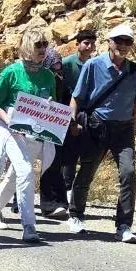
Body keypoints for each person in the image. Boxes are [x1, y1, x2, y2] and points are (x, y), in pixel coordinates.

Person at [68, 24, 136, 244]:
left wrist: (131, 123)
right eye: (118, 40)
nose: (122, 45)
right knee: (88, 170)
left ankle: (123, 225)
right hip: (97, 126)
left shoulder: (134, 71)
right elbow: (77, 97)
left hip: (123, 129)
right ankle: (76, 214)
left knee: (128, 173)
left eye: (127, 41)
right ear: (109, 42)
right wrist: (73, 122)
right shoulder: (93, 65)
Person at [0, 28, 56, 243]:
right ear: (27, 47)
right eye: (38, 45)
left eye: (45, 44)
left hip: (34, 134)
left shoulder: (48, 75)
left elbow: (49, 103)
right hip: (12, 132)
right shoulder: (11, 72)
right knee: (25, 171)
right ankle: (29, 225)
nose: (43, 49)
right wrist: (10, 122)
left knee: (15, 174)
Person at [57, 30, 96, 205]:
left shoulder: (94, 64)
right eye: (86, 43)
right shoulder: (67, 64)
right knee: (68, 152)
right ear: (77, 44)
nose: (89, 47)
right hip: (67, 111)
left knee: (81, 151)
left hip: (87, 113)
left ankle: (73, 190)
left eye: (92, 43)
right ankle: (64, 189)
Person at [38, 48, 70, 219]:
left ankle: (55, 203)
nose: (57, 71)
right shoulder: (41, 79)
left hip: (54, 127)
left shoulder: (62, 81)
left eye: (59, 67)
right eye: (53, 67)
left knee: (53, 164)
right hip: (36, 125)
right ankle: (17, 202)